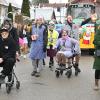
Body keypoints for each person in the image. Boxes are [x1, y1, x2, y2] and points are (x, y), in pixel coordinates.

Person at [93, 20, 100, 90]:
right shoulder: (98, 29)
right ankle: (96, 84)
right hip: (99, 52)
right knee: (98, 68)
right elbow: (95, 41)